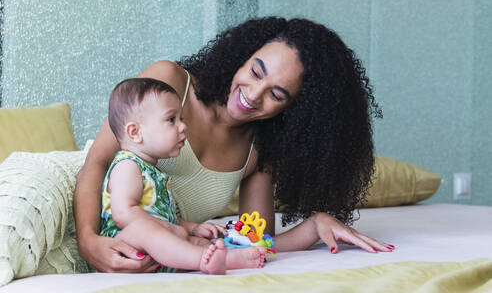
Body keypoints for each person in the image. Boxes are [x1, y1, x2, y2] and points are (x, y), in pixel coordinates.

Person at [74, 17, 393, 273]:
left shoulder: (258, 153)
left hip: (156, 244)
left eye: (276, 95)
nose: (253, 93)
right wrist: (89, 242)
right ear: (242, 57)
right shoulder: (170, 84)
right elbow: (97, 162)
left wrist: (313, 226)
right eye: (256, 71)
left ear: (293, 112)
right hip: (82, 208)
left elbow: (253, 242)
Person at [99, 77, 266, 274]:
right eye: (171, 119)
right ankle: (202, 260)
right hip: (125, 248)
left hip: (157, 248)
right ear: (135, 132)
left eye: (182, 119)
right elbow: (123, 214)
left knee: (201, 241)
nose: (183, 126)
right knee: (144, 230)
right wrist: (169, 228)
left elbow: (165, 215)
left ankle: (225, 258)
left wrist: (192, 228)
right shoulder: (128, 165)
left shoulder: (156, 171)